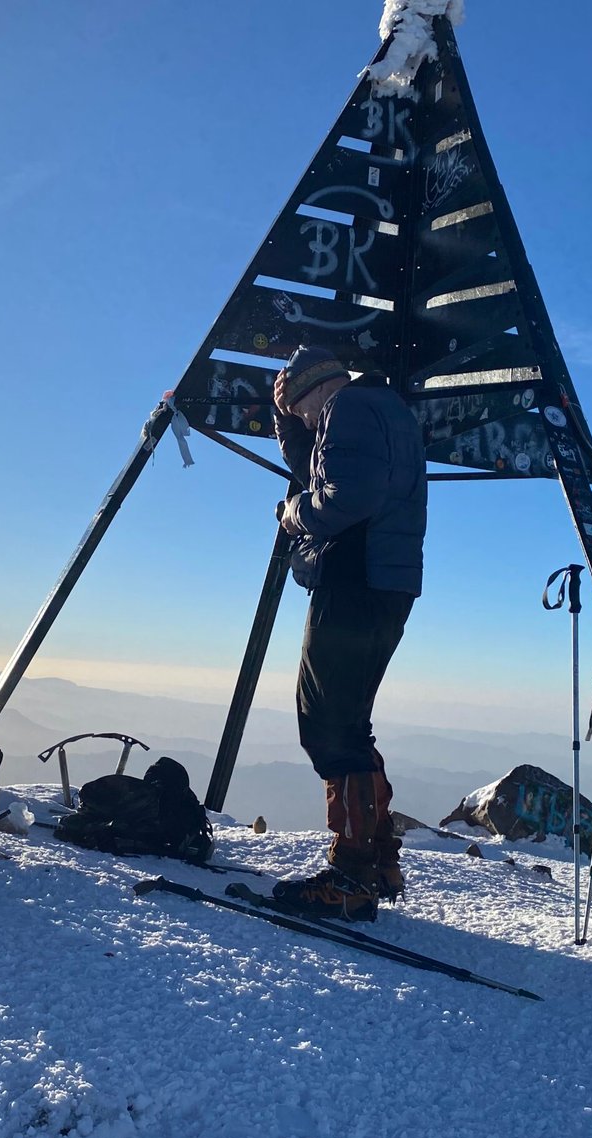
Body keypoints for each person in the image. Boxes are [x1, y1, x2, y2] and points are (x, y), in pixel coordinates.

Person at [267, 345, 428, 921]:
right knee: (350, 718)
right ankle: (377, 860)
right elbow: (332, 465)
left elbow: (346, 496)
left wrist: (294, 514)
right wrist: (293, 431)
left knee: (327, 719)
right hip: (387, 582)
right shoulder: (383, 407)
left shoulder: (349, 408)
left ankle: (352, 875)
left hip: (356, 579)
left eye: (302, 410)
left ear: (317, 389)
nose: (307, 421)